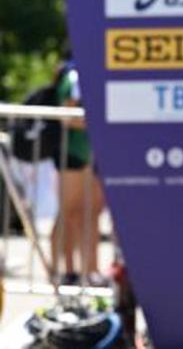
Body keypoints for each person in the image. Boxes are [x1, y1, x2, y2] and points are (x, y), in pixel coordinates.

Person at [51, 64, 107, 287]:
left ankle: (91, 271)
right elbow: (68, 117)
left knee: (92, 213)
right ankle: (65, 270)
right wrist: (98, 124)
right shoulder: (74, 76)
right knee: (69, 211)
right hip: (72, 152)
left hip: (91, 154)